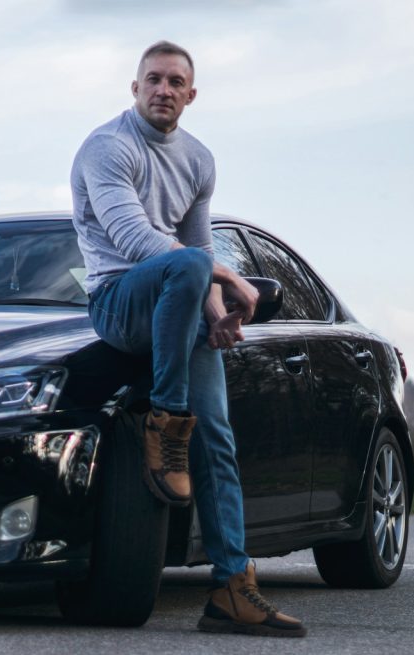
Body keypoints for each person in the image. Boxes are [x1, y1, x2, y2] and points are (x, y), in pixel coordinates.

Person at [70, 40, 307, 638]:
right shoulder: (107, 147)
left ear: (191, 95)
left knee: (219, 439)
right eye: (153, 79)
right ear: (134, 88)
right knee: (189, 266)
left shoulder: (198, 159)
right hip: (119, 301)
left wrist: (219, 313)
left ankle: (231, 587)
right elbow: (135, 240)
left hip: (180, 300)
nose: (163, 90)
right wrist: (229, 277)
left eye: (176, 82)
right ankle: (166, 421)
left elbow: (196, 249)